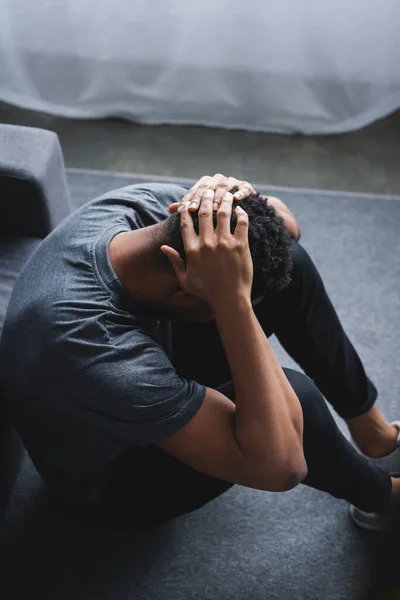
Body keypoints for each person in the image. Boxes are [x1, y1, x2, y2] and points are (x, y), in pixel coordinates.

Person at [0, 173, 399, 531]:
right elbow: (282, 466)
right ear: (182, 286)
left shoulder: (153, 208)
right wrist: (233, 303)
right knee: (294, 401)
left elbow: (287, 230)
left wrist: (243, 196)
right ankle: (383, 498)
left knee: (288, 265)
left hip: (138, 369)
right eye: (213, 302)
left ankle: (374, 433)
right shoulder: (86, 340)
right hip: (111, 479)